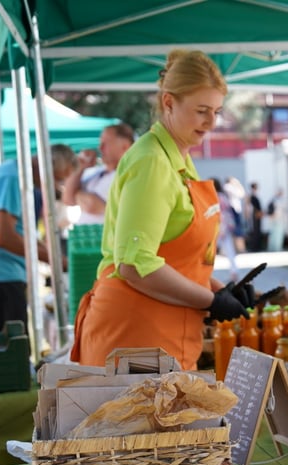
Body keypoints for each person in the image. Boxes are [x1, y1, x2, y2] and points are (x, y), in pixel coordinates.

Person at [71, 49, 249, 370]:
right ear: (169, 102)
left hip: (160, 338)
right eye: (201, 111)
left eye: (217, 111)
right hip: (133, 340)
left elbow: (175, 259)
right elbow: (135, 265)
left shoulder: (179, 159)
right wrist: (211, 301)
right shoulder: (151, 161)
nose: (211, 122)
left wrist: (222, 290)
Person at [0, 144, 78, 334]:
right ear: (47, 166)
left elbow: (20, 233)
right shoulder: (10, 178)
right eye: (58, 179)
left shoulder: (10, 175)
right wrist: (54, 260)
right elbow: (3, 236)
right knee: (10, 346)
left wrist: (53, 256)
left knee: (8, 343)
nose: (55, 187)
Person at [62, 123, 135, 225]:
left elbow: (91, 205)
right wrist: (80, 167)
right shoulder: (95, 172)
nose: (100, 147)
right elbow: (68, 199)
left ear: (125, 146)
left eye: (106, 143)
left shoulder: (129, 174)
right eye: (100, 143)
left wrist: (76, 193)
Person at [212, 178, 239, 281]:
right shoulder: (223, 196)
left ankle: (207, 273)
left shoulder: (215, 196)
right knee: (229, 249)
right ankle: (234, 271)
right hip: (225, 225)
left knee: (211, 251)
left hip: (218, 225)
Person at [266, 188, 286, 252]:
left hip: (274, 219)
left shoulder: (273, 199)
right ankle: (277, 248)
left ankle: (272, 248)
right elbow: (279, 211)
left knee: (273, 234)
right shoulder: (278, 201)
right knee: (277, 235)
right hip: (278, 219)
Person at [247, 181, 263, 251]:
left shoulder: (255, 195)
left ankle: (257, 246)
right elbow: (252, 206)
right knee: (255, 231)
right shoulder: (251, 196)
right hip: (255, 215)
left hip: (257, 214)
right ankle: (254, 247)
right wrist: (257, 213)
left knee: (257, 231)